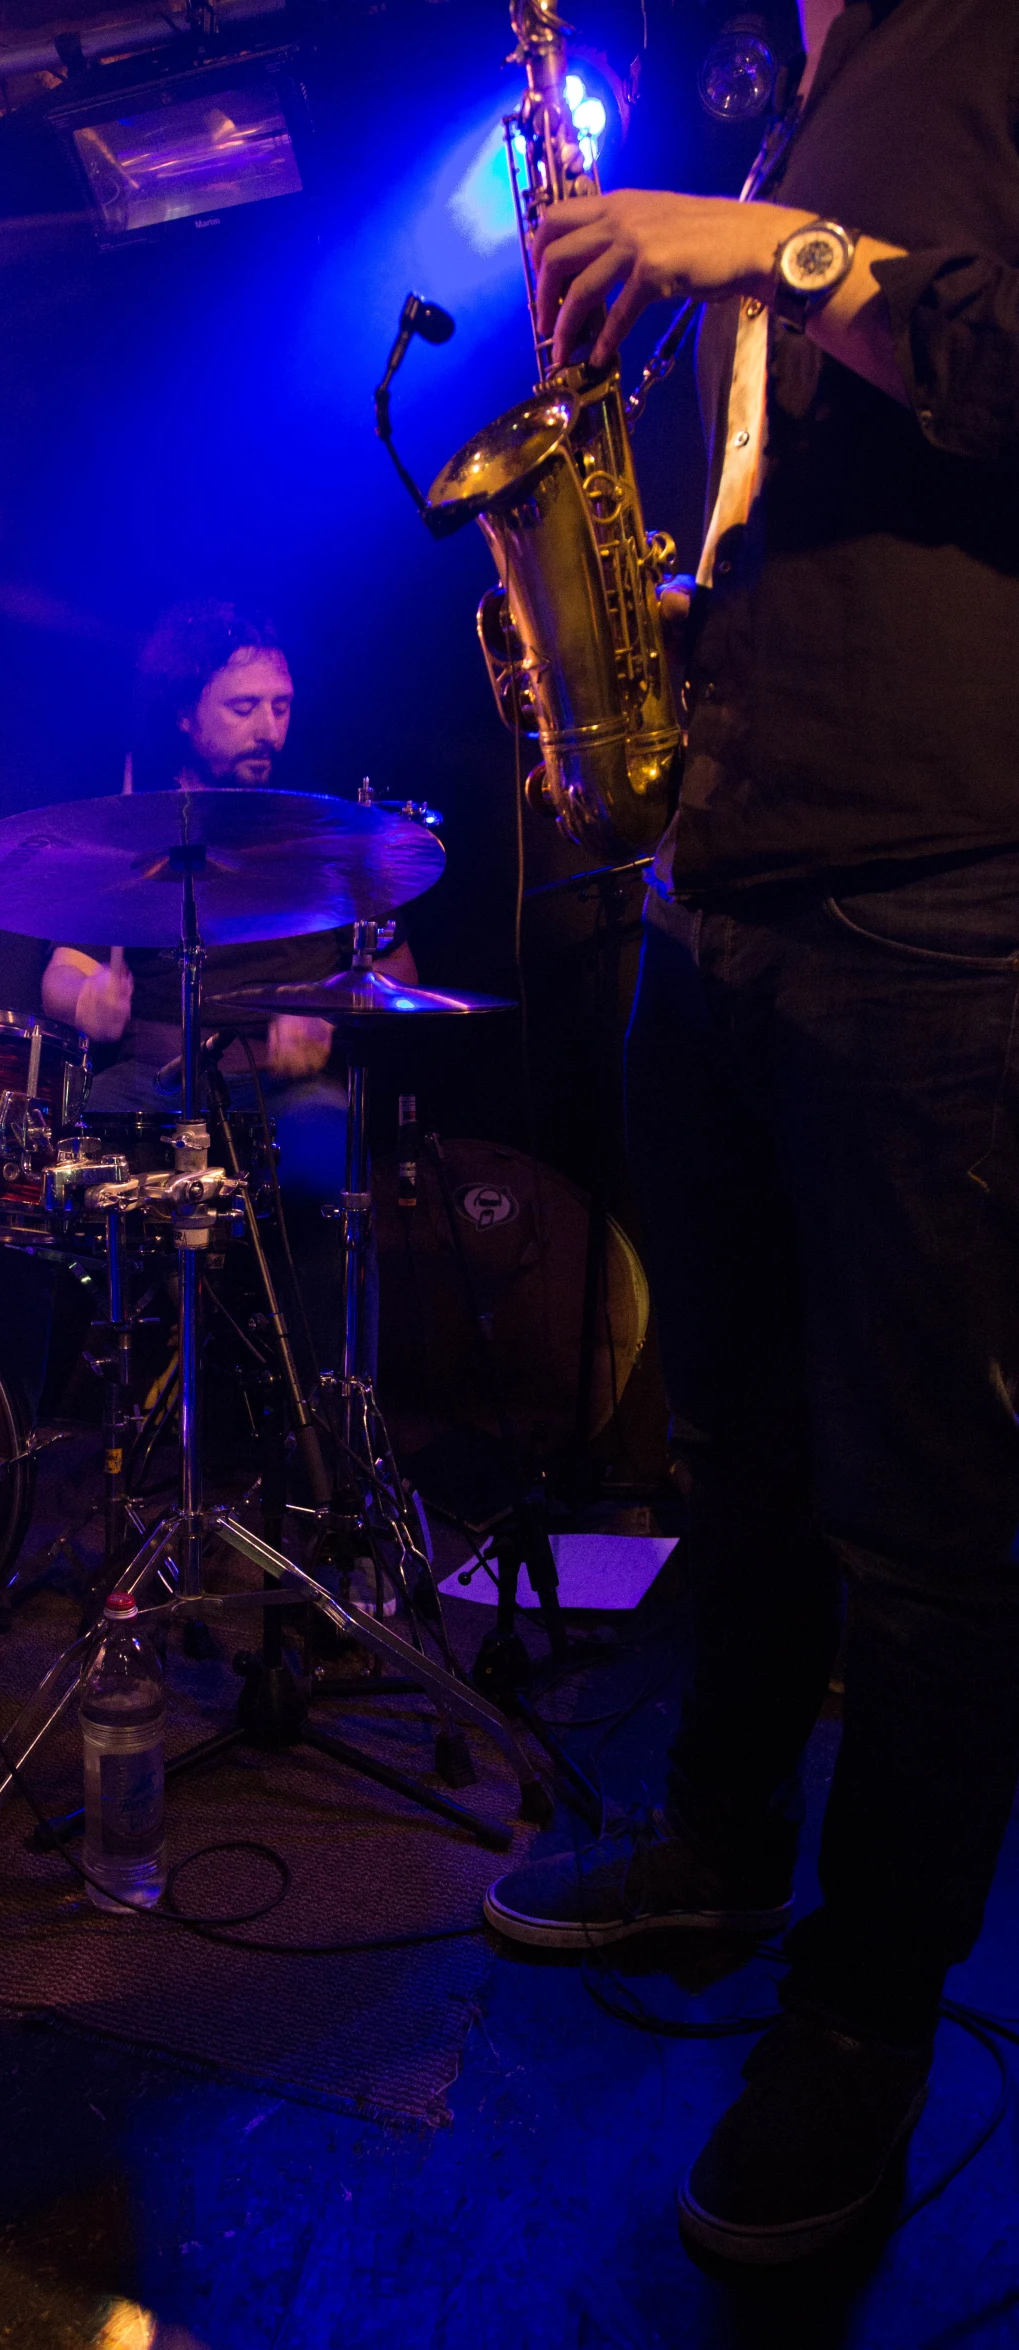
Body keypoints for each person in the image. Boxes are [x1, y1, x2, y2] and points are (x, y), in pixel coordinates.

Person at [478, 0, 1019, 2268]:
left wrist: (778, 252)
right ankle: (712, 1824)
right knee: (735, 1458)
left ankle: (859, 2023)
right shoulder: (796, 82)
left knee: (920, 1532)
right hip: (725, 874)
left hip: (928, 888)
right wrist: (652, 618)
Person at [43, 600, 417, 1371]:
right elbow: (62, 966)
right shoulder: (134, 822)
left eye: (279, 707)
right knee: (54, 1179)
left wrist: (328, 1015)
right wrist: (86, 999)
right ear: (185, 716)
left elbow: (398, 971)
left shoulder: (319, 829)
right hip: (156, 1080)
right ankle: (46, 1425)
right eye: (242, 708)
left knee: (323, 1166)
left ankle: (332, 1431)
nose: (267, 729)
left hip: (280, 1089)